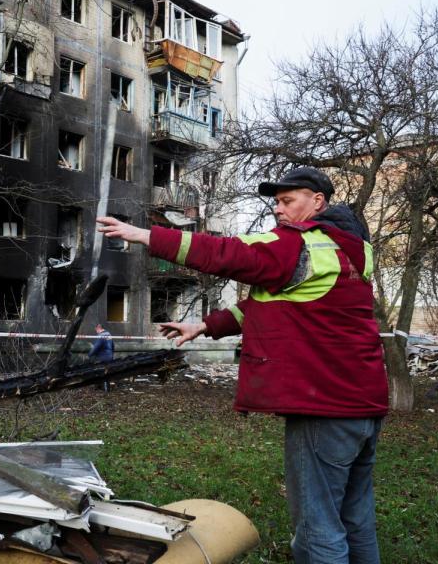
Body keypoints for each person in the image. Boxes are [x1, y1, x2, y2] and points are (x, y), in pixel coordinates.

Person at [97, 166, 388, 564]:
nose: (278, 210)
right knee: (356, 519)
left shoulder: (298, 244)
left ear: (317, 202)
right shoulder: (351, 248)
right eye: (276, 202)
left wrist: (147, 235)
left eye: (288, 201)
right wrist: (204, 324)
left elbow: (229, 254)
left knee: (318, 527)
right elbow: (272, 305)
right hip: (364, 405)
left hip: (324, 407)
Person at [88, 323, 114, 391]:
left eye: (96, 330)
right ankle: (106, 388)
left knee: (97, 371)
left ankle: (99, 388)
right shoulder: (109, 334)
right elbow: (113, 345)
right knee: (106, 372)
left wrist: (89, 354)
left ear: (98, 328)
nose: (96, 331)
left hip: (102, 357)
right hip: (109, 356)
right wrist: (111, 355)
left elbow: (96, 347)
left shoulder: (101, 335)